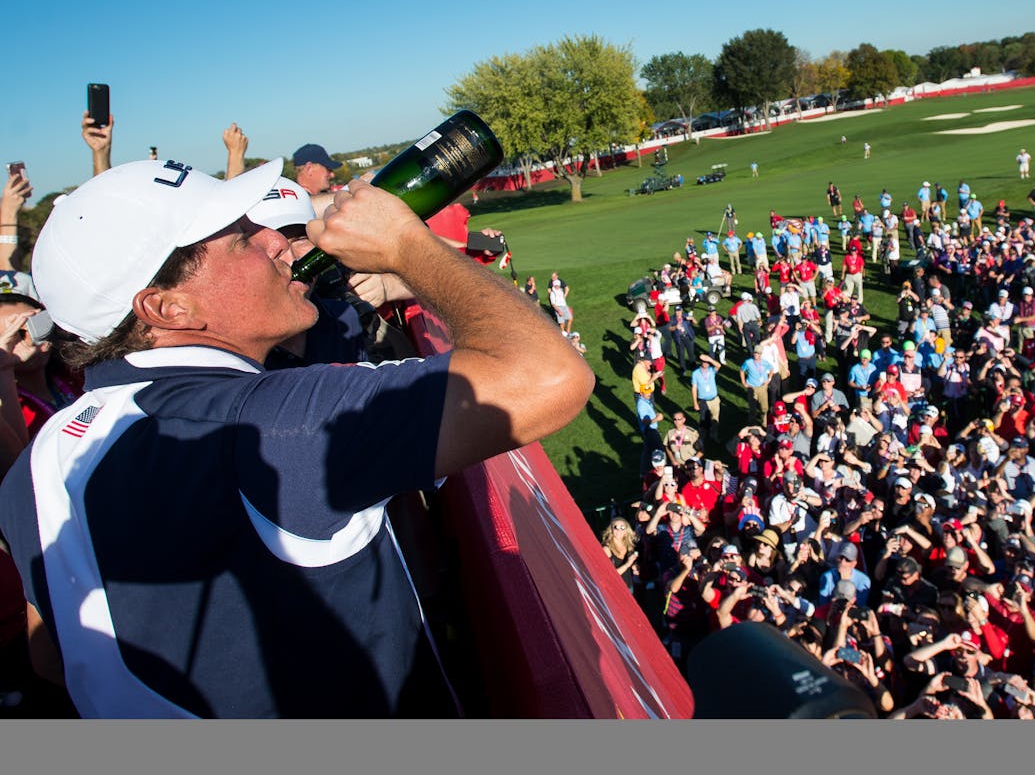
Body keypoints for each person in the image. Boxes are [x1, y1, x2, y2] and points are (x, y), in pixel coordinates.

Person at [0, 157, 593, 717]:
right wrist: (409, 248)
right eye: (241, 237)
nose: (278, 239)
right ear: (167, 307)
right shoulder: (271, 423)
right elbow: (549, 375)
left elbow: (52, 656)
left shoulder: (40, 459)